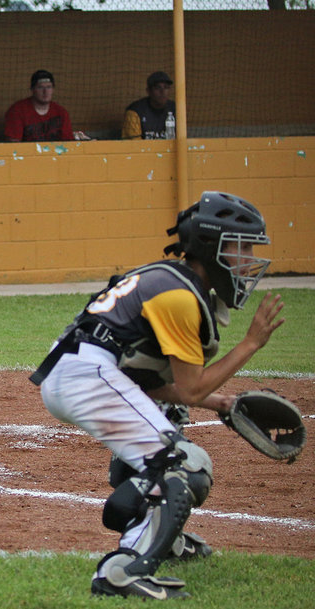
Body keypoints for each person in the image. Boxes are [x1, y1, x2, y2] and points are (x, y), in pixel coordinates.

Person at [29, 191, 283, 599]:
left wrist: (216, 402)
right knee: (185, 464)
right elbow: (191, 385)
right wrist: (251, 343)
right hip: (86, 375)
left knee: (170, 417)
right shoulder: (179, 296)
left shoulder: (170, 279)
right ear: (212, 248)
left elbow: (152, 379)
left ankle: (161, 535)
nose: (248, 258)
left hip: (80, 371)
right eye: (241, 246)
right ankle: (123, 570)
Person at [5, 70, 84, 142]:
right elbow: (13, 145)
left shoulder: (61, 112)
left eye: (49, 87)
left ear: (53, 89)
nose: (45, 91)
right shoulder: (17, 111)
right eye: (40, 87)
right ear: (32, 89)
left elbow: (68, 142)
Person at [122, 71, 177, 140]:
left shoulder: (175, 109)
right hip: (142, 150)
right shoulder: (135, 110)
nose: (162, 92)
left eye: (166, 87)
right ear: (148, 91)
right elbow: (134, 145)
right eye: (157, 87)